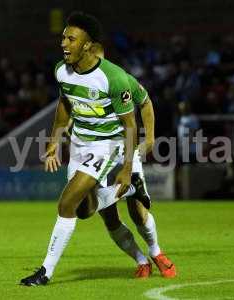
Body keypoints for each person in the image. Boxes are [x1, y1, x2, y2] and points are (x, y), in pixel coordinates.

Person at [20, 11, 147, 286]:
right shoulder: (61, 71)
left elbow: (130, 125)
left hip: (106, 145)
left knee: (66, 203)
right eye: (63, 37)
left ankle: (45, 272)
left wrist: (126, 168)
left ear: (87, 45)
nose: (64, 44)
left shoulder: (113, 78)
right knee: (84, 210)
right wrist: (54, 140)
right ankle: (127, 191)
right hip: (79, 144)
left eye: (71, 39)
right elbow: (65, 104)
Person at [75, 43, 177, 278]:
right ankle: (141, 260)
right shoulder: (75, 83)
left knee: (137, 212)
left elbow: (146, 101)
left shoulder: (119, 78)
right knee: (106, 215)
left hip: (123, 148)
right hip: (91, 152)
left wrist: (150, 138)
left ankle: (156, 252)